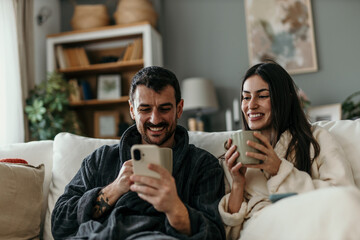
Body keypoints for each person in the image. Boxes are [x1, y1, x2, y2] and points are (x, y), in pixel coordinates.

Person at [51, 66, 225, 240]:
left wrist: (174, 208)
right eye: (145, 109)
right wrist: (114, 189)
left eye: (164, 109)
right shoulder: (101, 159)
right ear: (132, 110)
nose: (155, 119)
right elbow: (59, 223)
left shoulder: (203, 165)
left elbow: (214, 235)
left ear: (179, 109)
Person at [219, 61, 360, 240]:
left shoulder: (316, 139)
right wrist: (238, 183)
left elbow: (342, 195)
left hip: (309, 223)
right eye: (246, 97)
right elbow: (229, 233)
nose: (251, 105)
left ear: (284, 98)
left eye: (262, 96)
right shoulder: (232, 154)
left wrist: (279, 169)